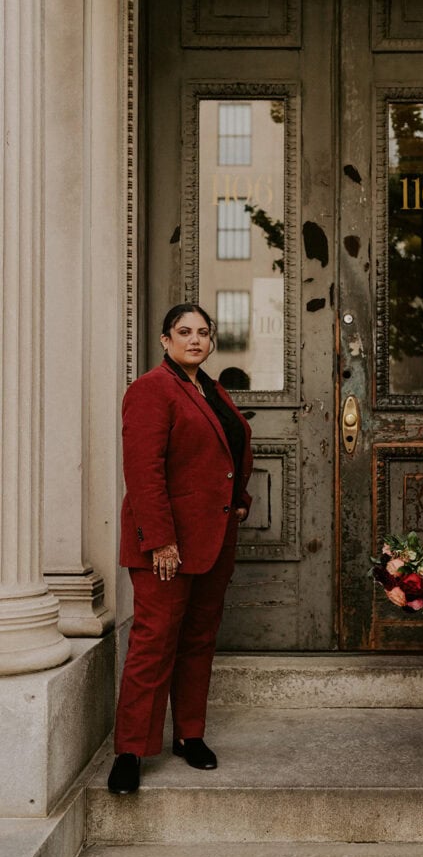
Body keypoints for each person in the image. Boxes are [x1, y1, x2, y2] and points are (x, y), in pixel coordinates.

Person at [107, 304, 253, 794]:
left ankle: (190, 736)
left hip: (212, 539)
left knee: (197, 640)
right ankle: (130, 750)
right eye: (184, 332)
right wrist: (161, 541)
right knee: (154, 642)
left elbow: (229, 452)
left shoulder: (209, 390)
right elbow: (143, 470)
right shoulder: (150, 389)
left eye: (203, 333)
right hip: (165, 544)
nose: (195, 340)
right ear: (166, 340)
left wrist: (240, 502)